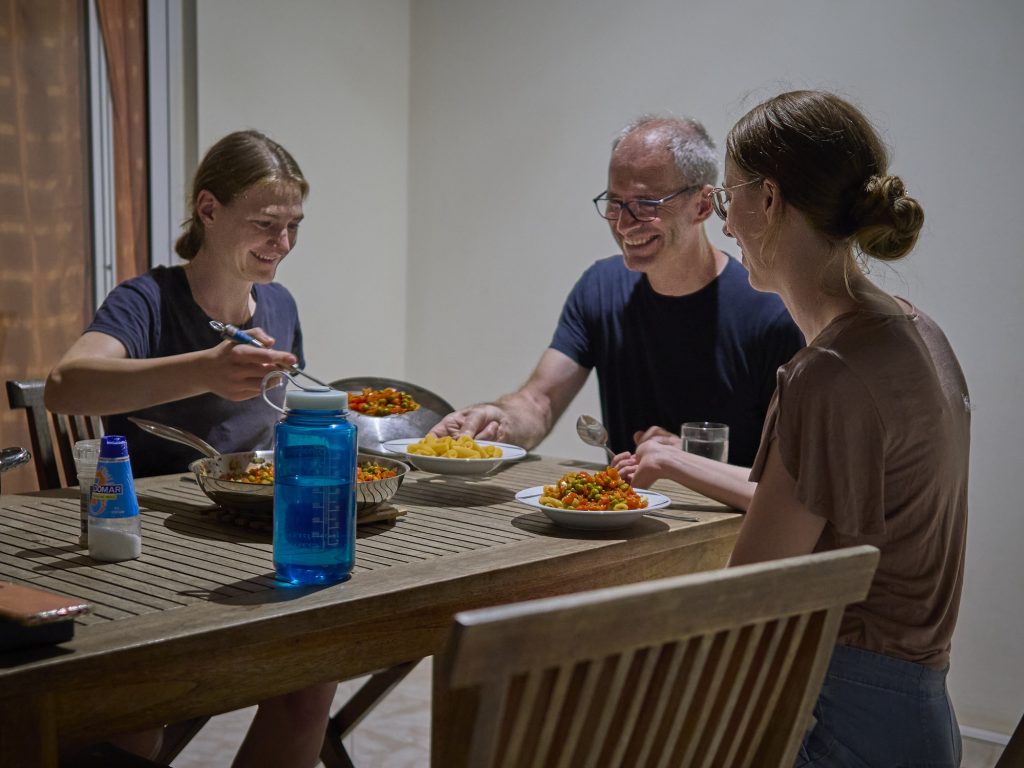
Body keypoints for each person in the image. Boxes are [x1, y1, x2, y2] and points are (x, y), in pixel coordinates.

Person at [619, 91, 968, 767]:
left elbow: (749, 603)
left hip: (842, 729)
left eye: (727, 202)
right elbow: (815, 508)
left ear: (769, 202)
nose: (724, 227)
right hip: (922, 728)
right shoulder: (918, 334)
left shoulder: (825, 374)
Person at [46, 130, 335, 767]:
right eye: (264, 224)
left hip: (247, 534)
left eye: (293, 227)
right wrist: (204, 369)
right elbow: (66, 388)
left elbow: (279, 422)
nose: (281, 245)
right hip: (147, 551)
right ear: (208, 209)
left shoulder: (279, 305)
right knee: (143, 707)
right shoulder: (147, 299)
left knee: (314, 677)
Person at [430, 115, 804, 467]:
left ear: (703, 204)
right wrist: (501, 420)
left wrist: (691, 460)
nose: (625, 225)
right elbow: (539, 400)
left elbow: (794, 480)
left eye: (645, 204)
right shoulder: (600, 287)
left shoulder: (770, 310)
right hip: (625, 519)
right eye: (615, 203)